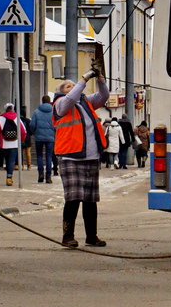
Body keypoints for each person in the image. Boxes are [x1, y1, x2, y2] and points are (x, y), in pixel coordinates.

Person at [54, 68, 109, 248]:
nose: (73, 87)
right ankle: (67, 235)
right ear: (62, 92)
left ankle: (91, 236)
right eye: (68, 86)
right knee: (73, 198)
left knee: (90, 200)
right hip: (70, 157)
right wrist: (83, 80)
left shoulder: (86, 102)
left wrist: (100, 79)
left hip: (91, 157)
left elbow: (103, 96)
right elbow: (70, 99)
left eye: (74, 85)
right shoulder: (61, 103)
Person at [0, 102, 28, 186]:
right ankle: (9, 177)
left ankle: (9, 174)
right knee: (12, 160)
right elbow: (23, 131)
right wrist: (22, 140)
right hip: (15, 143)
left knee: (7, 160)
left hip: (4, 144)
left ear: (5, 110)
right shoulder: (17, 118)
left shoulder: (0, 119)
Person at [30, 95, 56, 184]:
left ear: (42, 101)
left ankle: (40, 174)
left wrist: (34, 132)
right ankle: (48, 176)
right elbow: (56, 123)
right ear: (49, 101)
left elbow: (32, 124)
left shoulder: (36, 112)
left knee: (39, 156)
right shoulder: (53, 112)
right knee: (49, 156)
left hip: (39, 137)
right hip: (50, 137)